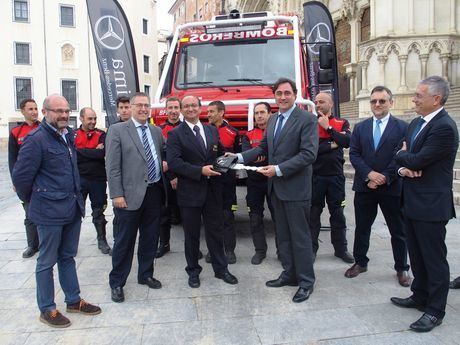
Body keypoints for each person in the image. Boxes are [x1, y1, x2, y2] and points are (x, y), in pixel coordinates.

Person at [12, 94, 101, 328]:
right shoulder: (36, 140)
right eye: (57, 111)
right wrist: (34, 202)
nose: (63, 115)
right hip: (49, 212)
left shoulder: (68, 135)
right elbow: (21, 178)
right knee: (46, 261)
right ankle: (47, 309)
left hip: (72, 208)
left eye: (66, 111)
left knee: (67, 256)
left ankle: (73, 300)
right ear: (45, 112)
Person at [236, 78, 318, 303]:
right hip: (277, 189)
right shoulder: (273, 121)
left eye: (287, 93)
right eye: (279, 93)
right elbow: (263, 148)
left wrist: (279, 169)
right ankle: (289, 274)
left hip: (296, 189)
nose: (282, 97)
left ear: (294, 94)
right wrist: (239, 157)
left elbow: (309, 154)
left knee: (300, 238)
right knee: (283, 236)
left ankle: (305, 282)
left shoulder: (307, 119)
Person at [391, 76, 459, 332]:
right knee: (417, 255)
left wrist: (406, 159)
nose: (414, 99)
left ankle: (435, 310)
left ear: (436, 99)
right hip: (411, 200)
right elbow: (402, 155)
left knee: (433, 259)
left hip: (431, 205)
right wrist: (403, 166)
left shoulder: (444, 127)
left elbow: (417, 160)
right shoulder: (417, 122)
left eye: (419, 96)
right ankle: (419, 294)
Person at [167, 95, 238, 288]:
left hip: (213, 192)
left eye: (194, 106)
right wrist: (200, 171)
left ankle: (221, 269)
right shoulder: (175, 134)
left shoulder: (211, 130)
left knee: (215, 232)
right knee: (191, 235)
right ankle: (193, 271)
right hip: (190, 193)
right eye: (186, 106)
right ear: (181, 110)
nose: (190, 109)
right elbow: (174, 163)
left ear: (200, 109)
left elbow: (220, 153)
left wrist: (230, 159)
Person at [345, 85, 411, 287]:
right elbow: (354, 154)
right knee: (362, 227)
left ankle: (401, 268)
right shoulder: (361, 128)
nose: (377, 104)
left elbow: (401, 155)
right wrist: (369, 175)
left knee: (398, 230)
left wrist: (383, 177)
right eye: (374, 101)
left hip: (391, 187)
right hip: (365, 186)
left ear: (391, 103)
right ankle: (360, 262)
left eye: (382, 101)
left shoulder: (403, 127)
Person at [105, 92, 167, 303]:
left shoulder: (156, 131)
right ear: (130, 107)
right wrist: (117, 194)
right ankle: (117, 282)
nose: (143, 109)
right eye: (139, 105)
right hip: (128, 196)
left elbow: (160, 156)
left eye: (146, 105)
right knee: (124, 241)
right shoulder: (117, 130)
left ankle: (145, 274)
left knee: (150, 237)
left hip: (154, 192)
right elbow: (112, 167)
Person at [310, 92, 353, 263]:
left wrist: (328, 128)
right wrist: (333, 143)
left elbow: (348, 141)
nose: (318, 104)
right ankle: (312, 250)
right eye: (316, 102)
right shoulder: (311, 123)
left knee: (338, 215)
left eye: (322, 102)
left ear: (331, 104)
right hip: (315, 177)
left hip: (335, 177)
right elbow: (311, 149)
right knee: (313, 216)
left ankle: (341, 249)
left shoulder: (342, 122)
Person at [206, 100, 241, 264]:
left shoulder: (233, 132)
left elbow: (240, 156)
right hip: (210, 181)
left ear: (221, 113)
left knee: (227, 216)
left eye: (211, 111)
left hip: (227, 182)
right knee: (212, 217)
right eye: (208, 112)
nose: (208, 115)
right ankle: (213, 250)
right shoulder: (204, 131)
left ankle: (229, 250)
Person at [241, 102, 276, 265]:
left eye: (262, 112)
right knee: (255, 219)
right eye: (256, 113)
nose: (259, 116)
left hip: (273, 182)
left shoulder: (276, 133)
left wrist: (260, 158)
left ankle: (283, 252)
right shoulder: (248, 135)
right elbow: (247, 156)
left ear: (270, 114)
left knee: (278, 219)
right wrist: (259, 158)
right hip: (254, 182)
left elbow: (275, 157)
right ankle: (260, 251)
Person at [75, 107, 111, 255]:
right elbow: (72, 154)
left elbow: (102, 153)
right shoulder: (73, 135)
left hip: (98, 179)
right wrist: (93, 151)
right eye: (90, 118)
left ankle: (101, 240)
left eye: (95, 118)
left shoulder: (101, 134)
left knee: (99, 211)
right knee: (75, 212)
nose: (93, 121)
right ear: (81, 119)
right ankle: (71, 242)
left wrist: (81, 151)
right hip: (79, 179)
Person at [8, 98, 40, 258]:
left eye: (35, 108)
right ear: (23, 111)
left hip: (41, 179)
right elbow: (12, 158)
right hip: (26, 181)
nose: (34, 112)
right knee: (29, 213)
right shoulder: (16, 132)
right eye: (30, 109)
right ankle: (32, 245)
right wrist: (15, 180)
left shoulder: (43, 128)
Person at [156, 97, 182, 258]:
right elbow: (158, 154)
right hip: (165, 178)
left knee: (188, 214)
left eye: (176, 107)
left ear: (180, 109)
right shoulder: (158, 130)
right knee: (163, 213)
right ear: (166, 110)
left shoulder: (187, 128)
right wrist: (171, 175)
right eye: (170, 108)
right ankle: (164, 244)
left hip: (184, 176)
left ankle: (192, 246)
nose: (173, 111)